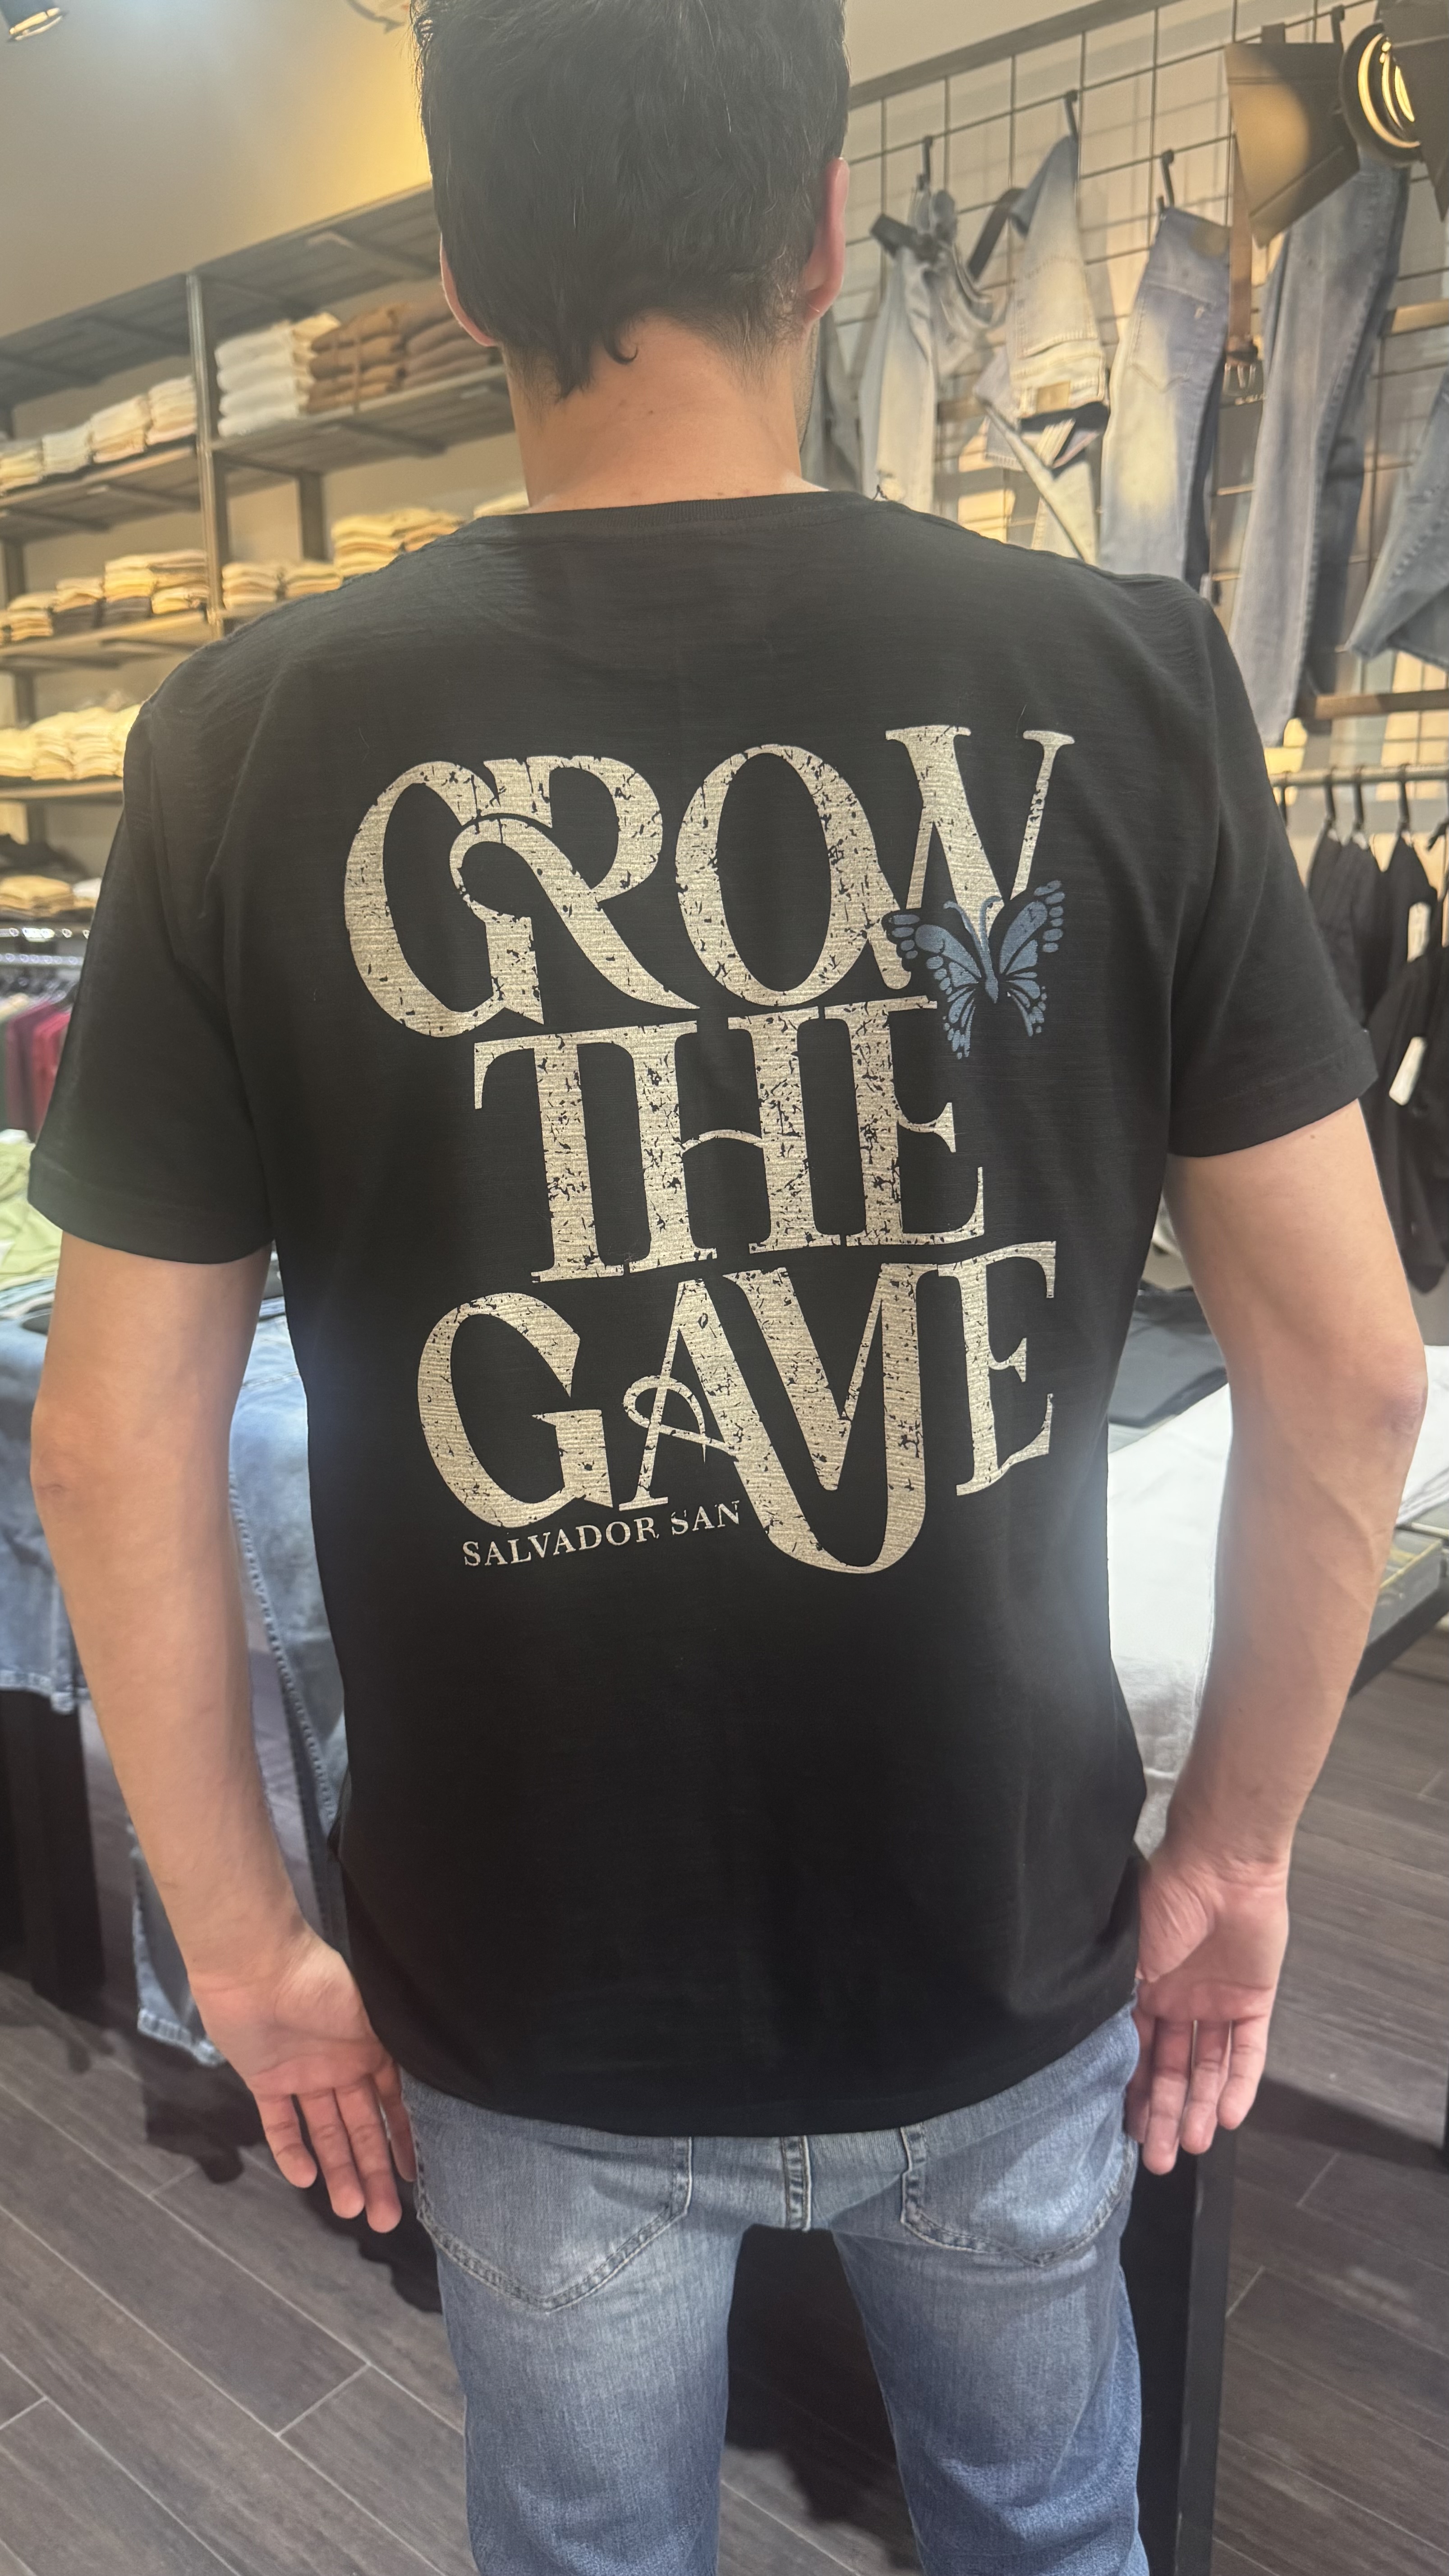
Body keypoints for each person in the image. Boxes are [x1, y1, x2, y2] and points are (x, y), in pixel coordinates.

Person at [28, 2, 1426, 2569]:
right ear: (824, 235)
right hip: (1000, 1940)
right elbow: (1351, 1371)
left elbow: (110, 1444)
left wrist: (245, 1950)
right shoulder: (1130, 683)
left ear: (463, 274)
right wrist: (1231, 1859)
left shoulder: (245, 742)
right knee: (1045, 2525)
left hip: (529, 1998)